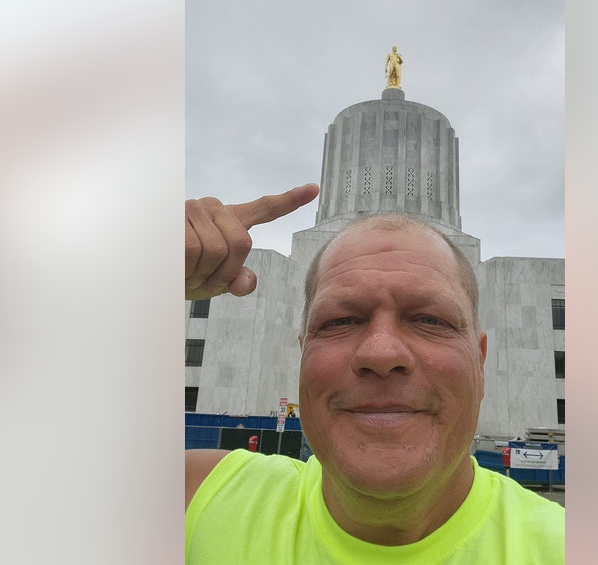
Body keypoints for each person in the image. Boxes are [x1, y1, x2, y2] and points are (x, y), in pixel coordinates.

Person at [184, 184, 565, 563]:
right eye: (341, 321)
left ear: (479, 363)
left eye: (430, 319)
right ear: (304, 356)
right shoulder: (195, 500)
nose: (381, 353)